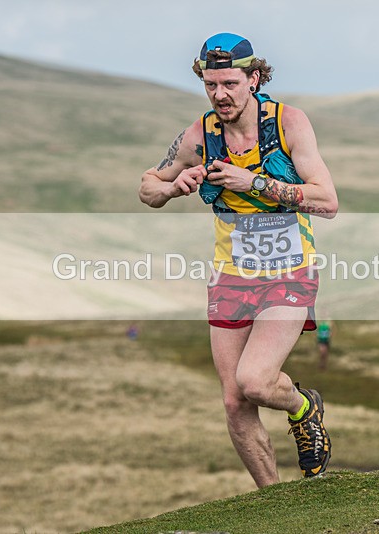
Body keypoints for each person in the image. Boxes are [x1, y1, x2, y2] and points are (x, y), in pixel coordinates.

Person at [138, 33, 338, 487]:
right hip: (231, 277)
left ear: (255, 78)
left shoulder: (288, 123)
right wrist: (172, 187)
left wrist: (255, 184)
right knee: (234, 401)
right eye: (211, 85)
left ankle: (304, 407)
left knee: (255, 381)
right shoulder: (200, 135)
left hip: (290, 269)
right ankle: (273, 503)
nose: (220, 95)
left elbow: (328, 201)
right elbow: (148, 184)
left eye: (230, 83)